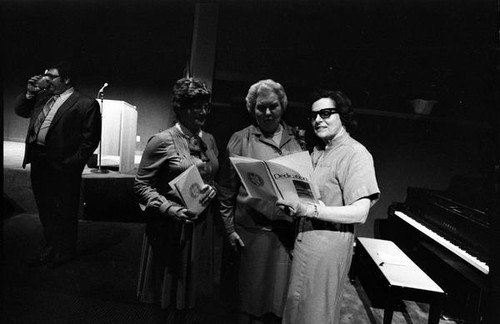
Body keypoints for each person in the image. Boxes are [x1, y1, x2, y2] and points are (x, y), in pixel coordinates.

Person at [277, 89, 380, 324]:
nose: (318, 120)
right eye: (314, 116)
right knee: (297, 309)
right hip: (306, 241)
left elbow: (360, 212)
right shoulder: (320, 152)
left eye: (326, 113)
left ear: (342, 115)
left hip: (328, 247)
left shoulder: (356, 154)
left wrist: (311, 210)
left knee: (316, 314)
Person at [218, 79, 304, 323]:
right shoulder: (240, 140)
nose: (267, 112)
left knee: (278, 305)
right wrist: (229, 228)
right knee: (249, 303)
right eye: (260, 107)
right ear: (252, 109)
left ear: (282, 106)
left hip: (285, 235)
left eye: (273, 106)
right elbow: (226, 189)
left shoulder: (298, 142)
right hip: (252, 234)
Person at [134, 77, 219, 321]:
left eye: (206, 106)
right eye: (196, 106)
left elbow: (209, 174)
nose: (203, 111)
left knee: (189, 298)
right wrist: (170, 209)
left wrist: (210, 189)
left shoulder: (209, 139)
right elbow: (140, 186)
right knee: (165, 296)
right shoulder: (161, 141)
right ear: (180, 107)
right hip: (170, 227)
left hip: (199, 226)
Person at [14, 61, 101, 268]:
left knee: (64, 210)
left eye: (51, 76)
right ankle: (51, 246)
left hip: (63, 165)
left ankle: (65, 251)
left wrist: (73, 163)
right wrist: (28, 93)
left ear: (66, 79)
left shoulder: (85, 103)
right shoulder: (42, 97)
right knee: (45, 207)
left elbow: (90, 140)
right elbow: (20, 110)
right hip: (39, 160)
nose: (45, 80)